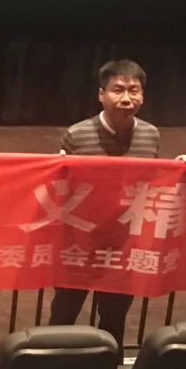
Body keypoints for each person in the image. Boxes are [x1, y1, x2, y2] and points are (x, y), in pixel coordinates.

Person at [46, 59, 160, 354]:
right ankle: (51, 368)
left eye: (134, 90)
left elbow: (150, 182)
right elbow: (61, 189)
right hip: (79, 244)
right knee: (63, 315)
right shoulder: (77, 135)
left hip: (123, 244)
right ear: (101, 94)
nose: (127, 98)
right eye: (118, 90)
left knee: (114, 318)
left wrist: (180, 171)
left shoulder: (151, 134)